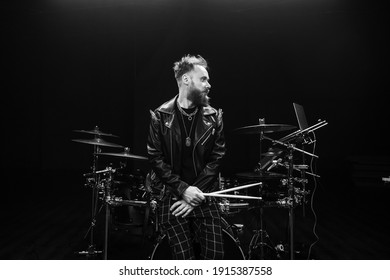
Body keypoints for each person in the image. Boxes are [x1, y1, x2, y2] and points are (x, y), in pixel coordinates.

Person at [147, 54, 226, 259]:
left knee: (215, 259)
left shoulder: (214, 117)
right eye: (204, 79)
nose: (209, 84)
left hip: (204, 195)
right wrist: (183, 190)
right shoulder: (160, 115)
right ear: (186, 79)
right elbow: (156, 159)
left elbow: (216, 159)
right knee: (184, 260)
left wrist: (193, 196)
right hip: (171, 196)